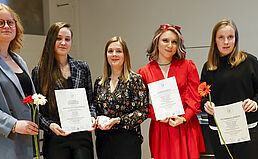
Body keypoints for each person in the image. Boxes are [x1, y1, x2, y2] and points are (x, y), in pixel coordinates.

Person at [0, 3, 38, 159]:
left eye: (10, 22)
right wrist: (13, 125)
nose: (6, 26)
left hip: (24, 142)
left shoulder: (19, 60)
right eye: (0, 22)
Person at [137, 24, 205, 159]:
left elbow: (195, 97)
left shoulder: (188, 66)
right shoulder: (144, 72)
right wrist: (157, 116)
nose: (170, 45)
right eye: (165, 40)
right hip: (161, 127)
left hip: (185, 125)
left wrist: (184, 118)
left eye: (174, 42)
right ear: (156, 42)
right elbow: (141, 103)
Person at [32, 22, 96, 159]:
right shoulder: (40, 72)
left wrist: (91, 116)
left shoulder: (82, 67)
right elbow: (35, 111)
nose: (63, 43)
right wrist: (49, 125)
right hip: (56, 136)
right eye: (58, 38)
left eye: (67, 39)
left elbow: (90, 101)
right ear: (51, 40)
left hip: (82, 136)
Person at [201, 19, 258, 159]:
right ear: (215, 40)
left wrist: (255, 102)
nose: (226, 42)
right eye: (221, 37)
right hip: (220, 131)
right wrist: (205, 105)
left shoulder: (249, 62)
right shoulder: (208, 67)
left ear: (236, 39)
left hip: (248, 129)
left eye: (230, 37)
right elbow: (202, 97)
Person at [94, 36, 148, 159]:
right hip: (104, 140)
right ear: (106, 55)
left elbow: (143, 111)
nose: (114, 54)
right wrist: (97, 118)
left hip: (127, 139)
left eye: (118, 51)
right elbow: (95, 108)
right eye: (110, 51)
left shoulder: (135, 80)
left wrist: (118, 120)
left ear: (125, 55)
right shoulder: (99, 82)